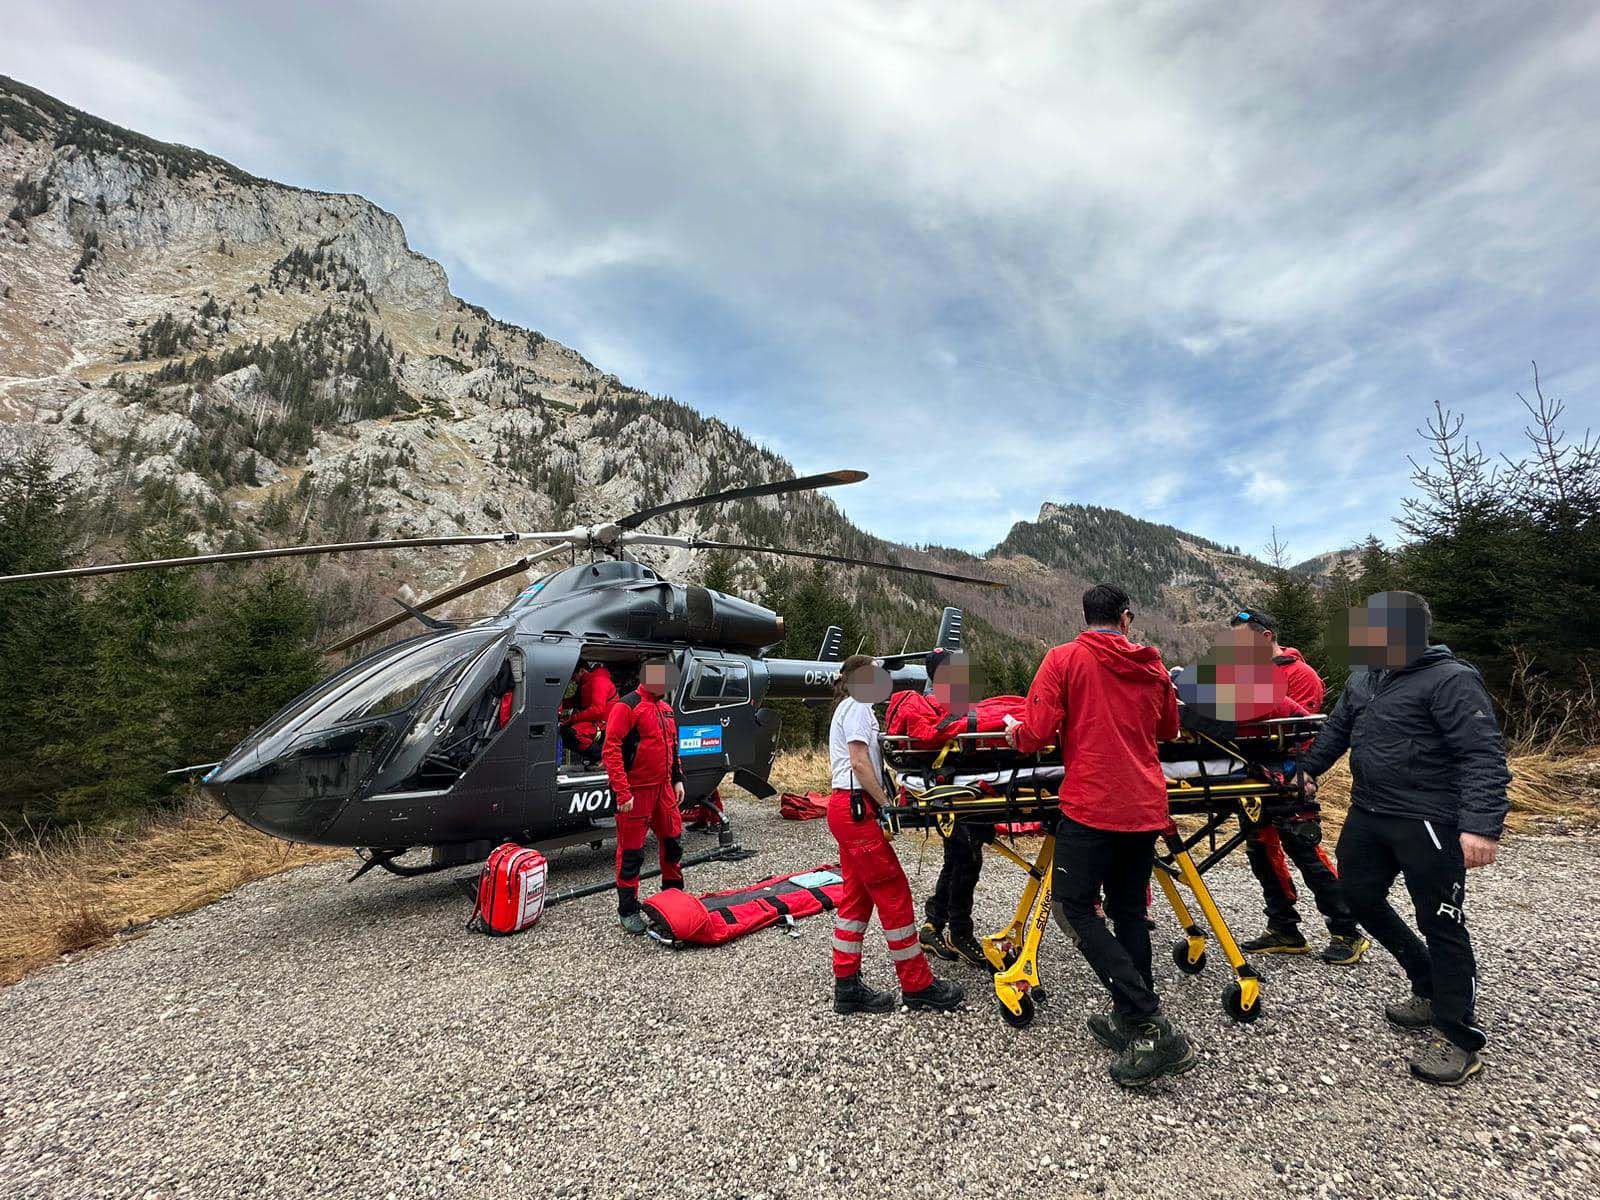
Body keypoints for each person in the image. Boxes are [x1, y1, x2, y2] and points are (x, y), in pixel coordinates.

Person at [1300, 591, 1511, 1086]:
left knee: (1441, 922)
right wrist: (1307, 771)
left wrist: (1481, 824)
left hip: (1430, 820)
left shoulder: (1451, 679)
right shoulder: (1364, 677)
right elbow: (1336, 729)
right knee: (1357, 899)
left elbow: (1482, 754)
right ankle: (1426, 981)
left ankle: (1458, 1033)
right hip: (1369, 813)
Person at [1004, 583, 1192, 1088]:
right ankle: (1133, 1021)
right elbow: (1170, 729)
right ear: (1126, 619)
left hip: (1091, 805)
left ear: (1084, 616)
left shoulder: (1064, 659)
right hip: (1145, 806)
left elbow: (1038, 730)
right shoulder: (1152, 667)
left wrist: (1014, 734)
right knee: (1130, 909)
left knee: (1074, 908)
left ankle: (1150, 1020)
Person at [1227, 608, 1370, 966]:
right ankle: (1284, 927)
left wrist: (1302, 775)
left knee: (1304, 848)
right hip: (1251, 776)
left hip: (1289, 776)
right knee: (1260, 851)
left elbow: (1304, 733)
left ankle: (1346, 929)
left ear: (1265, 637)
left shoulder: (1299, 674)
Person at [827, 654, 964, 1015]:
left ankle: (846, 984)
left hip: (847, 808)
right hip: (854, 808)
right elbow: (858, 762)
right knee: (894, 891)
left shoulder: (852, 708)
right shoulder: (857, 707)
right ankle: (917, 985)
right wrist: (885, 802)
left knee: (856, 898)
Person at [886, 649, 994, 968]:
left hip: (958, 791)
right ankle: (960, 932)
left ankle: (934, 925)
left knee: (958, 859)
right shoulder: (936, 706)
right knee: (966, 859)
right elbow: (938, 734)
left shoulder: (944, 703)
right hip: (952, 792)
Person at [601, 656, 686, 935]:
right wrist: (622, 792)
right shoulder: (627, 706)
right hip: (636, 792)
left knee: (673, 843)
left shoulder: (666, 710)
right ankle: (627, 910)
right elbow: (611, 749)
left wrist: (677, 779)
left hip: (664, 790)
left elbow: (672, 747)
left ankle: (673, 898)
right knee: (631, 854)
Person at [561, 661, 618, 764]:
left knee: (571, 734)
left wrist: (573, 719)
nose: (573, 680)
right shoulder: (585, 684)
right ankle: (596, 758)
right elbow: (574, 701)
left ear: (582, 671)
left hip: (605, 726)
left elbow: (597, 710)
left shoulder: (599, 681)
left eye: (573, 676)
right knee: (563, 731)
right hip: (595, 723)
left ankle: (605, 758)